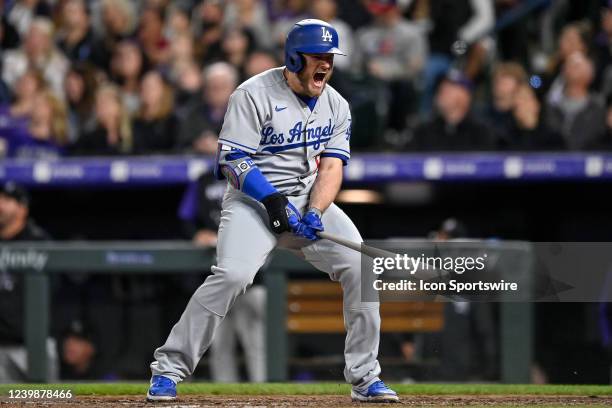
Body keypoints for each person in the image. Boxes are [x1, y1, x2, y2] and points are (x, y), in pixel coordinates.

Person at [147, 19, 399, 403]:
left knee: (362, 268)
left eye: (330, 57)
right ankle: (168, 369)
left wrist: (316, 210)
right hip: (252, 202)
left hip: (305, 197)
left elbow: (332, 167)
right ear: (295, 58)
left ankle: (365, 377)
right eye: (318, 57)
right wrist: (271, 200)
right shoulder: (252, 94)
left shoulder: (337, 104)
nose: (326, 64)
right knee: (232, 275)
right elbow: (232, 161)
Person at [0, 182, 58, 382]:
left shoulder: (39, 242)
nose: (0, 205)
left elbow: (54, 295)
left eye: (7, 200)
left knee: (43, 400)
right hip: (1, 347)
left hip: (34, 345)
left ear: (23, 208)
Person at [410, 70, 497, 151]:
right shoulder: (424, 131)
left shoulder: (481, 132)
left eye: (449, 89)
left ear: (465, 96)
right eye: (441, 89)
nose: (442, 93)